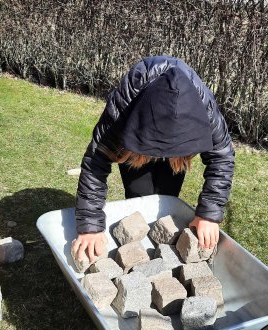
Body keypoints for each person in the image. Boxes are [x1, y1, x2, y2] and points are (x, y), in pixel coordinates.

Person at [73, 55, 235, 263]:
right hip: (137, 147)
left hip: (177, 148)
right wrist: (90, 226)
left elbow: (222, 156)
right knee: (138, 196)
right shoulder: (125, 103)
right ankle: (134, 250)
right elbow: (97, 161)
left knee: (166, 196)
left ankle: (161, 249)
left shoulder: (205, 110)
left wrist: (208, 214)